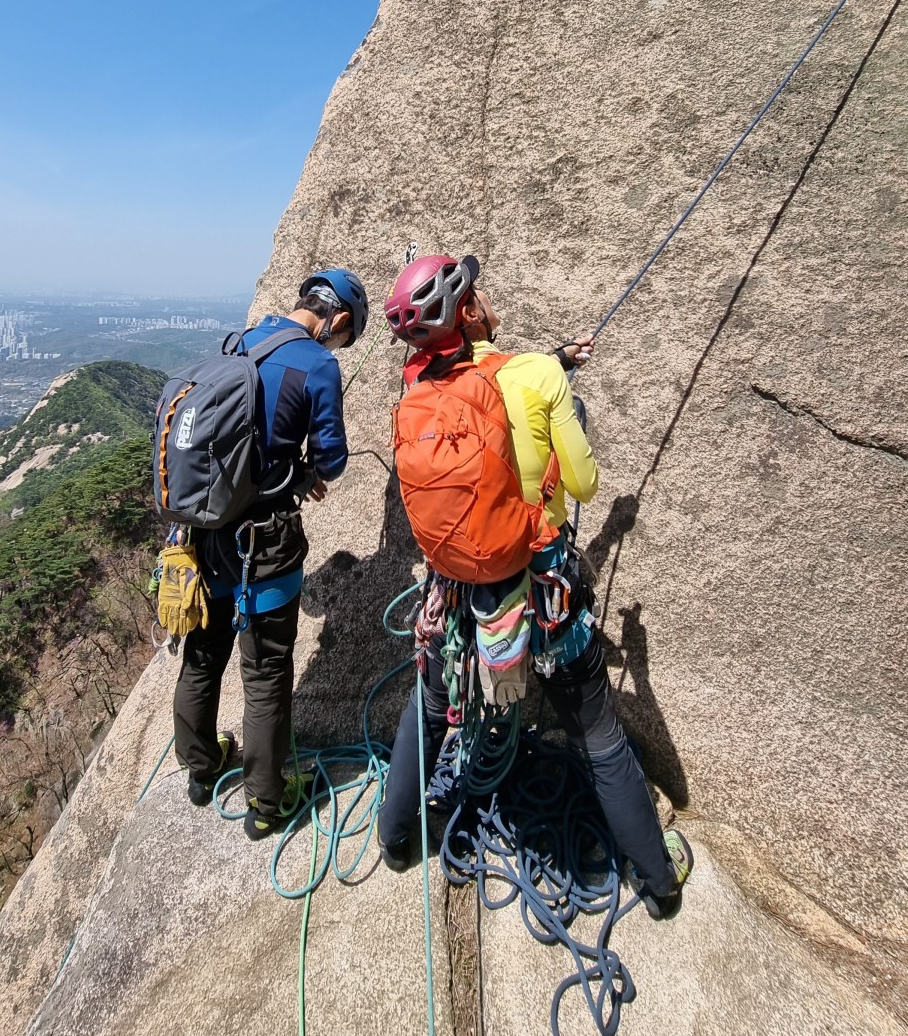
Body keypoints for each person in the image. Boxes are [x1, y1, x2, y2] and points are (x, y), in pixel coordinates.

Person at [377, 253, 692, 918]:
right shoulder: (534, 376)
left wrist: (556, 363)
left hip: (455, 591)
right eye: (477, 293)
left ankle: (395, 838)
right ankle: (659, 882)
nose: (486, 298)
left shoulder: (420, 388)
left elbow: (483, 388)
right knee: (598, 734)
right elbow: (583, 485)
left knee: (430, 711)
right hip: (538, 591)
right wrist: (558, 391)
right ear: (466, 313)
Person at [172, 268, 368, 840]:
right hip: (268, 543)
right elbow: (332, 460)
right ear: (340, 318)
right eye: (342, 335)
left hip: (206, 535)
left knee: (203, 654)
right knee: (264, 671)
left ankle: (202, 770)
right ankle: (266, 802)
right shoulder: (318, 366)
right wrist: (303, 470)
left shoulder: (242, 341)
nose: (336, 344)